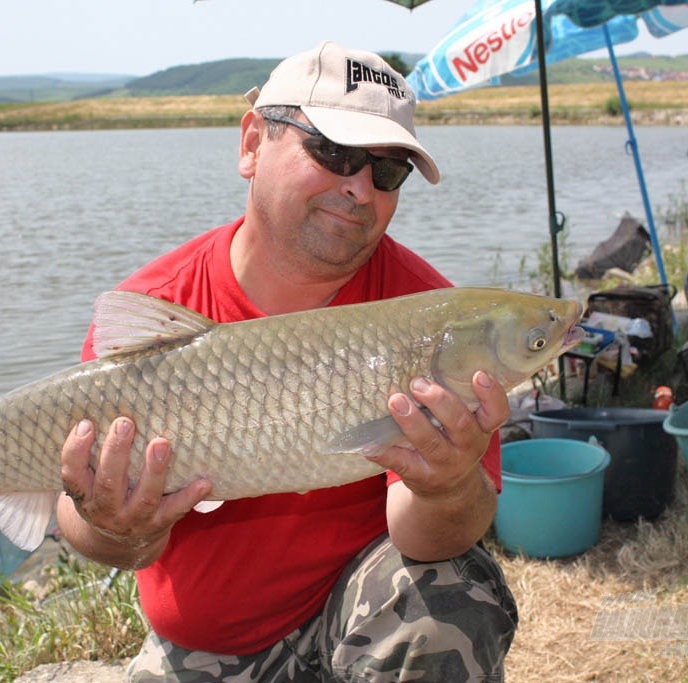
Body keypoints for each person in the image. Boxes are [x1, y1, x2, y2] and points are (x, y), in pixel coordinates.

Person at [57, 41, 518, 682]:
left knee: (453, 595)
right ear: (252, 144)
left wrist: (446, 485)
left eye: (387, 172)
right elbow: (96, 538)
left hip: (360, 620)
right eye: (333, 152)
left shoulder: (433, 320)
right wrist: (112, 524)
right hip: (207, 649)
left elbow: (432, 539)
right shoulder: (153, 311)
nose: (358, 188)